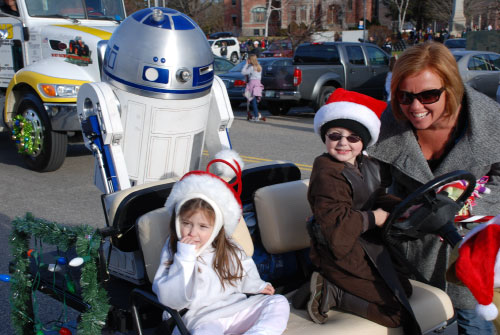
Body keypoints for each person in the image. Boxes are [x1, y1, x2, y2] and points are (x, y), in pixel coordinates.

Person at [367, 42, 500, 334]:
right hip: (410, 248)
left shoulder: (489, 120)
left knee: (473, 321)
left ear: (450, 88)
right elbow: (375, 181)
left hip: (470, 244)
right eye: (404, 96)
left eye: (428, 95)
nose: (415, 107)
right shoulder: (390, 121)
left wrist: (471, 210)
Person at [306, 88, 419, 333]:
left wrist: (404, 206)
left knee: (406, 289)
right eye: (335, 135)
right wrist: (373, 217)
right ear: (325, 138)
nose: (343, 142)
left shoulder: (367, 165)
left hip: (365, 247)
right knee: (396, 313)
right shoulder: (326, 172)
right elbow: (336, 226)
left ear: (363, 142)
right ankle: (332, 291)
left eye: (353, 137)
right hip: (339, 254)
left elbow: (376, 197)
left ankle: (337, 289)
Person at [153, 151, 290, 335]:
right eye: (186, 224)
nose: (193, 233)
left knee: (278, 302)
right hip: (200, 319)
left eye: (203, 226)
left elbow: (244, 270)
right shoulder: (174, 251)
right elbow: (173, 300)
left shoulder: (228, 246)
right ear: (177, 222)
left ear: (216, 228)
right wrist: (185, 258)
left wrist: (256, 285)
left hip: (235, 308)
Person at [242, 54, 264, 122]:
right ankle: (257, 114)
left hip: (252, 85)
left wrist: (246, 64)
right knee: (255, 101)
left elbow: (243, 72)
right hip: (258, 85)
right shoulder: (259, 67)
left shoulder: (251, 68)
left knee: (252, 101)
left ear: (250, 60)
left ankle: (256, 116)